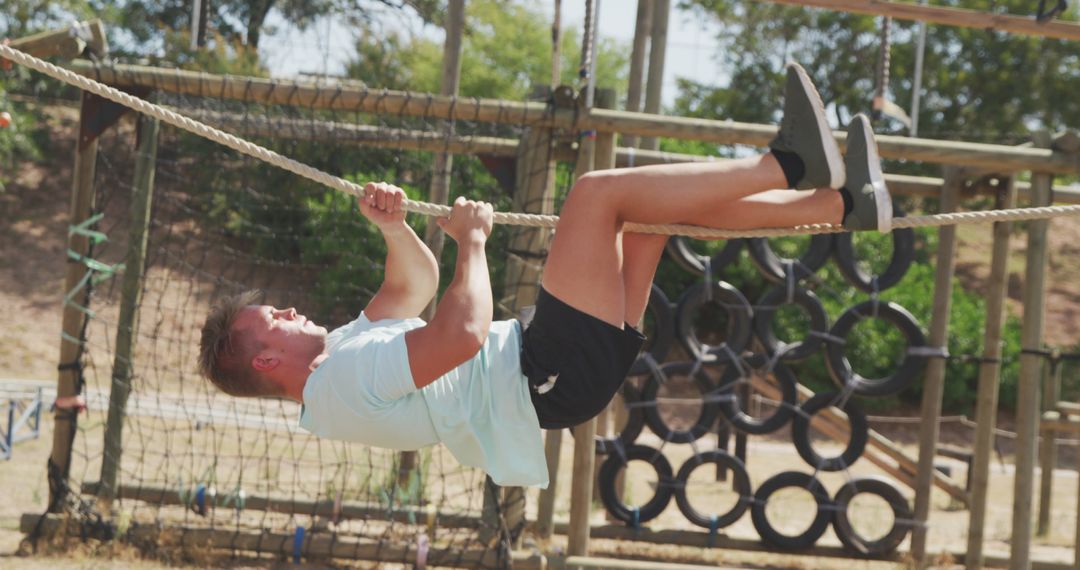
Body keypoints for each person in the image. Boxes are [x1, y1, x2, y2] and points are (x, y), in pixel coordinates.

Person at [198, 63, 891, 488]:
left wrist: (391, 227)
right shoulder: (341, 383)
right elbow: (463, 333)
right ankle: (790, 164)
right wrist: (473, 243)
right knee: (595, 195)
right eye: (275, 319)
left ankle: (839, 204)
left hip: (550, 372)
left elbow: (411, 286)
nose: (288, 311)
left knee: (647, 217)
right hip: (541, 373)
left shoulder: (342, 357)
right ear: (264, 356)